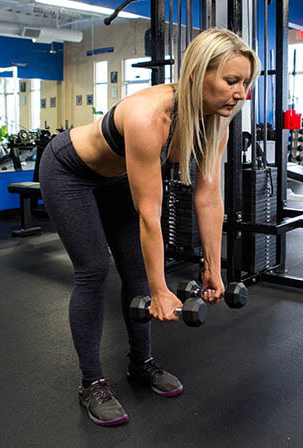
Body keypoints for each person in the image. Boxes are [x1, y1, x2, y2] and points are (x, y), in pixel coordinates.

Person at [38, 28, 259, 426]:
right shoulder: (150, 115)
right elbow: (149, 214)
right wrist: (159, 292)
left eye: (245, 83)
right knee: (94, 270)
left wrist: (213, 266)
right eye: (231, 81)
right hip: (70, 171)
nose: (240, 93)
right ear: (196, 75)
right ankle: (92, 382)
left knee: (136, 270)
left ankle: (141, 364)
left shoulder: (216, 122)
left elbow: (208, 197)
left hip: (116, 176)